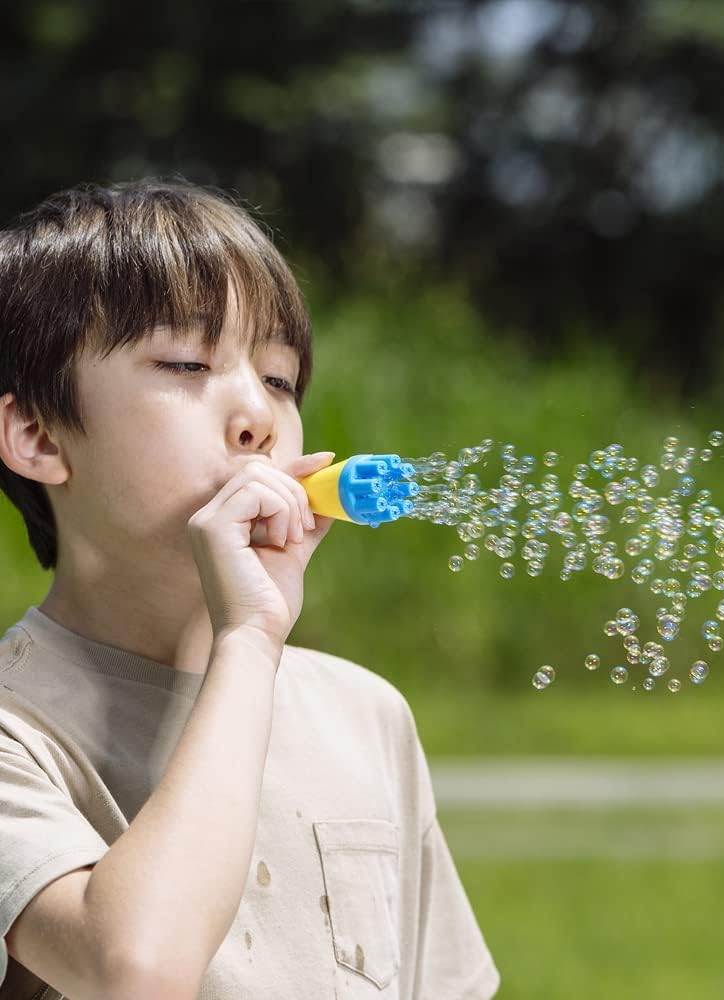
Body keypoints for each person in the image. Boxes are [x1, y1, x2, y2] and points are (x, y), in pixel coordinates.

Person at [0, 178, 501, 1000]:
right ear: (38, 435)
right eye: (188, 363)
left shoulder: (366, 717)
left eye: (279, 379)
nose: (258, 417)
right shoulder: (18, 735)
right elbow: (137, 969)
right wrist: (248, 641)